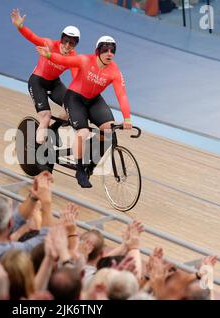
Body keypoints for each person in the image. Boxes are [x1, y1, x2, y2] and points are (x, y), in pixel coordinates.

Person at [37, 36, 133, 188]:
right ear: (97, 51)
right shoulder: (85, 60)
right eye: (105, 50)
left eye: (112, 50)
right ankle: (80, 170)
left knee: (109, 131)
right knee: (83, 133)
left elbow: (121, 94)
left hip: (94, 101)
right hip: (75, 98)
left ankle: (90, 164)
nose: (109, 53)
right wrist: (49, 55)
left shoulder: (114, 71)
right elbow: (64, 61)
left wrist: (127, 118)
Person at [11, 9, 80, 147]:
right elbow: (32, 37)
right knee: (45, 117)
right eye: (65, 41)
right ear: (61, 39)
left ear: (75, 45)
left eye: (71, 43)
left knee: (72, 108)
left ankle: (53, 130)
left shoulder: (73, 56)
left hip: (54, 84)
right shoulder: (48, 44)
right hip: (37, 82)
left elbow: (76, 77)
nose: (67, 46)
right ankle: (36, 149)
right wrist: (20, 26)